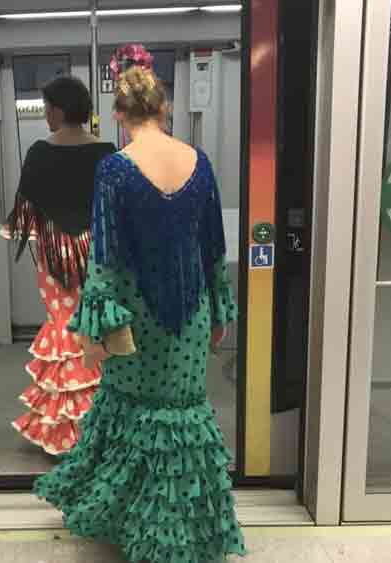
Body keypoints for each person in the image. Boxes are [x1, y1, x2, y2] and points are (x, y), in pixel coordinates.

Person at [34, 45, 246, 562]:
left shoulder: (114, 169)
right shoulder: (201, 163)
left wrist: (94, 323)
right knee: (185, 410)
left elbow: (103, 258)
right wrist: (219, 312)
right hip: (191, 314)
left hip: (133, 316)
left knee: (129, 414)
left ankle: (130, 520)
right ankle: (182, 526)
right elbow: (213, 246)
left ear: (120, 115)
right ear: (165, 108)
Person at [3, 75, 117, 456]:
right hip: (97, 254)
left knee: (63, 328)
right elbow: (115, 210)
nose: (46, 114)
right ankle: (99, 425)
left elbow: (26, 210)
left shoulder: (39, 152)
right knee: (96, 329)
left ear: (59, 109)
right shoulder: (106, 152)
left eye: (48, 106)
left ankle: (65, 427)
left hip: (54, 254)